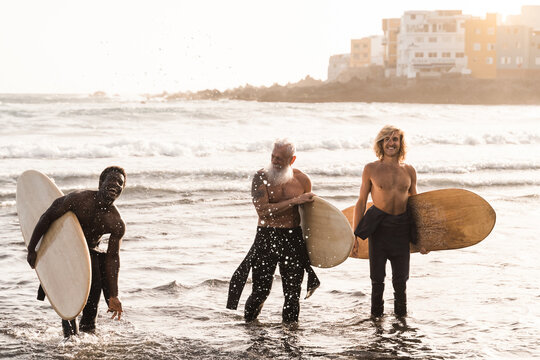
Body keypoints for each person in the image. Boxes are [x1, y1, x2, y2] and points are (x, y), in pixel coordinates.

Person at [226, 139, 320, 324]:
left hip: (293, 238)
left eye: (280, 158)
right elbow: (263, 211)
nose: (275, 161)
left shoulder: (303, 180)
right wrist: (294, 201)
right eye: (273, 156)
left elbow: (310, 215)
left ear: (292, 160)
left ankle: (291, 337)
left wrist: (315, 245)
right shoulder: (261, 177)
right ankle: (250, 328)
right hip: (266, 237)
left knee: (292, 293)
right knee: (261, 291)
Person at [27, 166, 126, 338]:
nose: (116, 185)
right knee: (68, 301)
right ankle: (70, 340)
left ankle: (86, 342)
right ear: (101, 182)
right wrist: (32, 249)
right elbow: (47, 217)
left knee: (91, 307)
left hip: (91, 255)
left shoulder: (116, 222)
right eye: (112, 180)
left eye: (120, 184)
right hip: (66, 251)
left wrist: (113, 295)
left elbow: (112, 258)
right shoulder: (78, 199)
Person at [353, 125, 427, 318]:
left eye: (395, 139)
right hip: (379, 228)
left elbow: (415, 204)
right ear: (381, 143)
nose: (391, 143)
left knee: (401, 282)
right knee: (377, 281)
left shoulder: (409, 170)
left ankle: (401, 323)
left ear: (400, 143)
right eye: (386, 139)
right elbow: (361, 202)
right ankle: (376, 322)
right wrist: (355, 235)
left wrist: (423, 239)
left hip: (402, 228)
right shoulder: (371, 169)